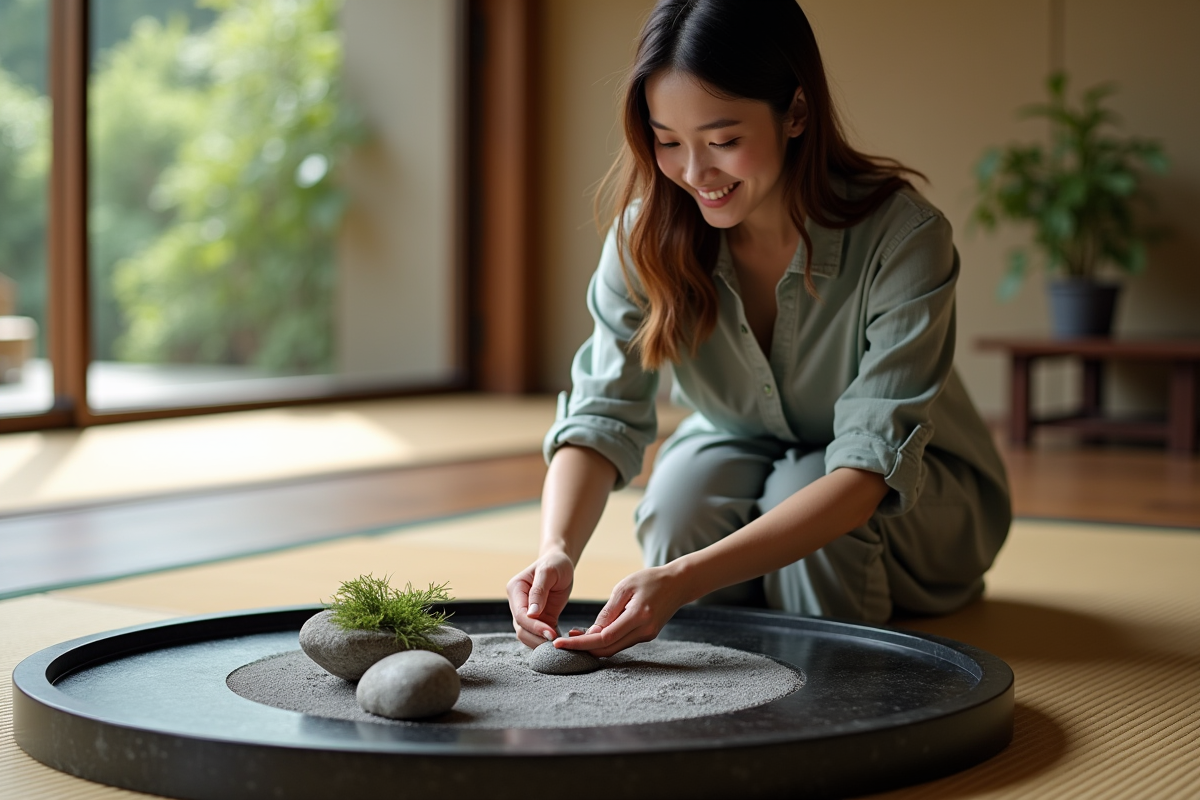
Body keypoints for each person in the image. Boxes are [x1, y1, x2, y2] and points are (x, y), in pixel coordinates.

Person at [506, 0, 1011, 658]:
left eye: (722, 140)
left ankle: (831, 672)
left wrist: (684, 580)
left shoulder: (905, 239)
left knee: (802, 488)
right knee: (679, 499)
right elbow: (600, 415)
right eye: (667, 141)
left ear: (796, 113)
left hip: (912, 498)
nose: (695, 172)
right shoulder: (644, 237)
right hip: (743, 445)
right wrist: (555, 551)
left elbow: (866, 471)